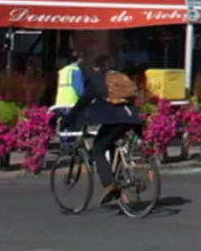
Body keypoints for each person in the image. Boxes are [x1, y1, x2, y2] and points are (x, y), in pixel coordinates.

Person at [61, 55, 142, 205]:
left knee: (98, 149)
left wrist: (67, 121)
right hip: (132, 117)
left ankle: (109, 185)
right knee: (110, 143)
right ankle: (117, 179)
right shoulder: (121, 78)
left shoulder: (98, 80)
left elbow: (82, 103)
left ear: (96, 68)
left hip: (114, 119)